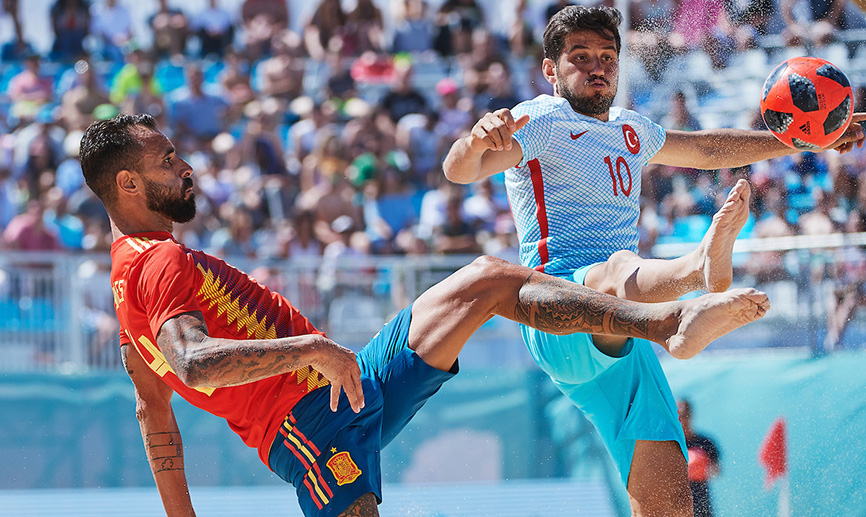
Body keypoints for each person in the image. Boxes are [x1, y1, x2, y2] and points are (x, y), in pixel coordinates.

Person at [80, 113, 769, 517]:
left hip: (349, 384)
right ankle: (665, 318)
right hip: (313, 433)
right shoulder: (160, 265)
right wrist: (310, 349)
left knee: (491, 278)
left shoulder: (125, 292)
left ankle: (666, 322)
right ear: (129, 184)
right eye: (167, 160)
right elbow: (197, 364)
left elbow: (154, 416)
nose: (186, 166)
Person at [442, 6, 863, 515]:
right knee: (616, 269)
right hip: (555, 309)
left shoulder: (631, 128)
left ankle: (695, 275)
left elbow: (709, 149)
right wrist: (474, 140)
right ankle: (697, 269)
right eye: (580, 57)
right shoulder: (539, 120)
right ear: (551, 69)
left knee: (670, 502)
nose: (598, 66)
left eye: (607, 56)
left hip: (628, 333)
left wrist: (808, 138)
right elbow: (460, 171)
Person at [677, 399, 721, 517]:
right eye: (679, 416)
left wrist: (701, 469)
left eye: (685, 415)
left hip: (701, 503)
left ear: (691, 415)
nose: (682, 420)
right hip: (675, 504)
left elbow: (717, 471)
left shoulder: (706, 442)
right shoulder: (670, 446)